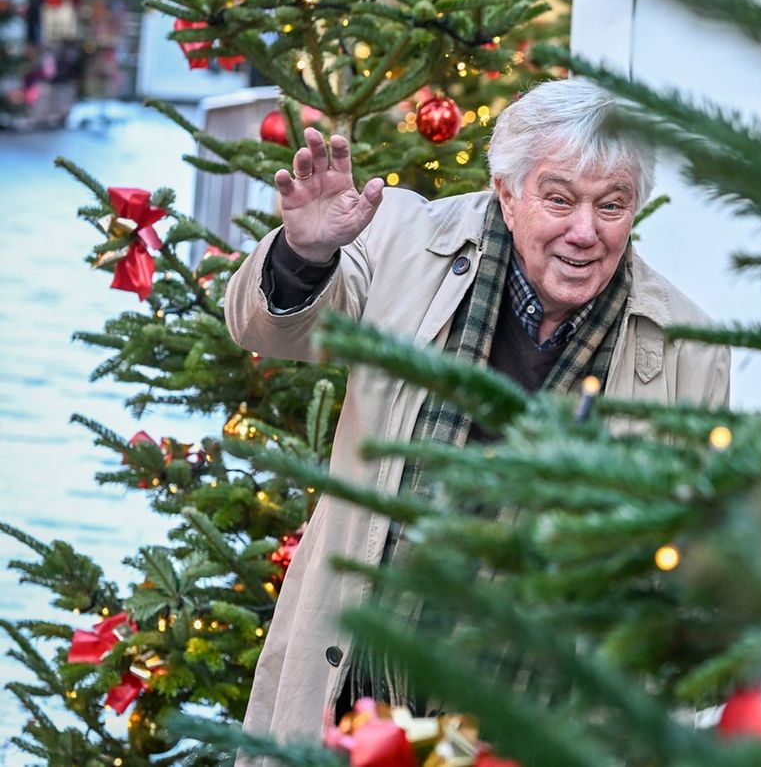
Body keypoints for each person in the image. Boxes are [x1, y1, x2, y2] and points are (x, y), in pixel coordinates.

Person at [225, 78, 730, 761]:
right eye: (560, 199)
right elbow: (273, 331)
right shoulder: (405, 240)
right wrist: (306, 255)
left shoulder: (684, 346)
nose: (586, 231)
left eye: (612, 205)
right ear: (507, 191)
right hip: (356, 702)